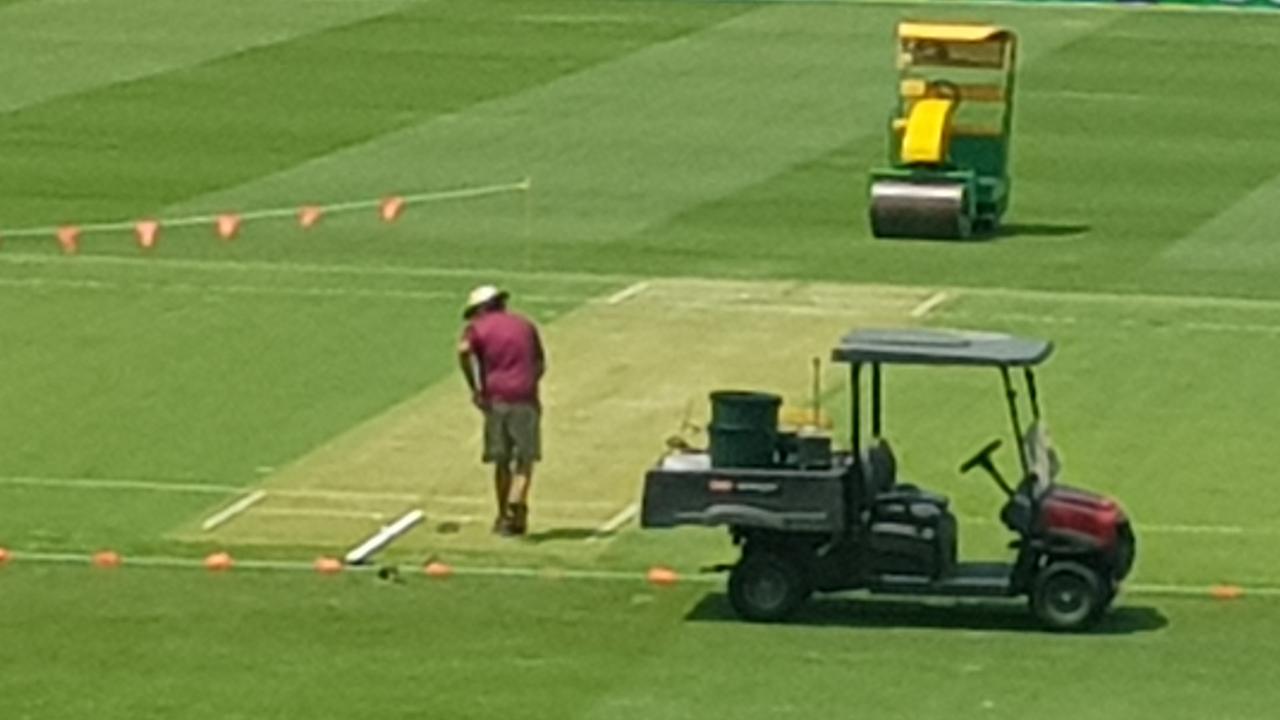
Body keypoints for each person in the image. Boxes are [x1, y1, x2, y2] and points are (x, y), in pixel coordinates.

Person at [457, 285, 546, 537]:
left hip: (495, 397)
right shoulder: (525, 325)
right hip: (525, 397)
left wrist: (474, 385)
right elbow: (540, 363)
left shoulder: (477, 328)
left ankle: (504, 515)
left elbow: (463, 351)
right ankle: (517, 500)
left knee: (501, 460)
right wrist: (528, 381)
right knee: (525, 459)